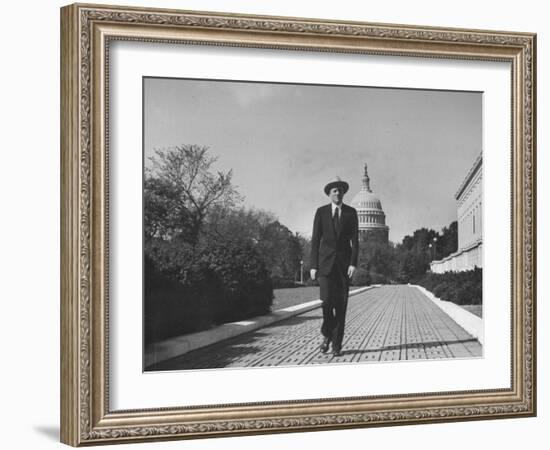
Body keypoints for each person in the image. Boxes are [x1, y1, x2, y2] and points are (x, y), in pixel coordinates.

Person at [309, 176, 359, 357]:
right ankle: (327, 333)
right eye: (334, 191)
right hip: (324, 265)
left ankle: (336, 345)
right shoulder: (321, 212)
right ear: (329, 194)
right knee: (327, 301)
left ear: (344, 193)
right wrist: (313, 265)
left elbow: (355, 240)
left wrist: (353, 262)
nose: (338, 193)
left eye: (340, 190)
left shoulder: (351, 213)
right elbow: (315, 240)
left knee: (341, 305)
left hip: (344, 266)